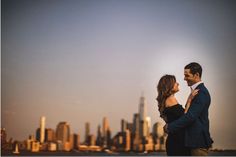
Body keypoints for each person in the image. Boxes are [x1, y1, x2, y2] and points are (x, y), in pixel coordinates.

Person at [164, 62, 213, 156]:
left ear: (196, 75)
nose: (184, 78)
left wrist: (170, 127)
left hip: (198, 142)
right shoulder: (196, 91)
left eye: (187, 75)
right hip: (192, 142)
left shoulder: (201, 92)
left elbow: (190, 116)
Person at [157, 74, 198, 156]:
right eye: (175, 82)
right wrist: (190, 99)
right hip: (178, 142)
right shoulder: (170, 100)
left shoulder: (168, 100)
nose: (178, 83)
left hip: (176, 140)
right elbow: (185, 118)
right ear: (169, 86)